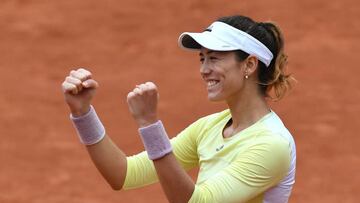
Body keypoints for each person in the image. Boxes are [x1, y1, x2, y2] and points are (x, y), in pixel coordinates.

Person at [61, 15, 296, 203]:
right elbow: (123, 174)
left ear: (250, 64)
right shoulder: (210, 127)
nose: (204, 69)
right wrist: (83, 114)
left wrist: (150, 125)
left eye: (214, 58)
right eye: (202, 59)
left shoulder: (270, 144)